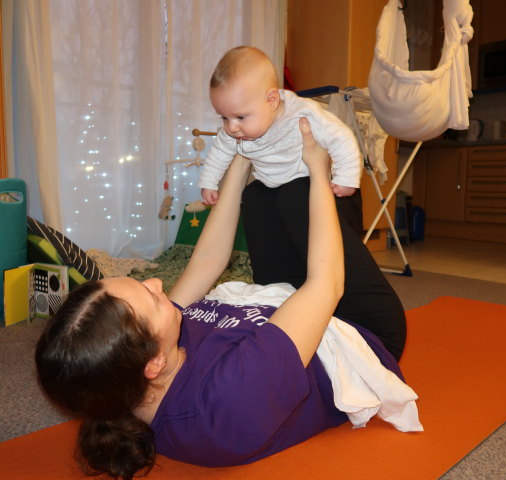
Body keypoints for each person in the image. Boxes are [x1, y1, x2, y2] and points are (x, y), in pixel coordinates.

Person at [35, 119, 412, 480]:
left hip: (282, 308)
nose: (154, 282)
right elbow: (326, 285)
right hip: (354, 330)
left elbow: (207, 264)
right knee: (296, 191)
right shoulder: (229, 399)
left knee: (259, 195)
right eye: (150, 298)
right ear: (155, 362)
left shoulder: (140, 364)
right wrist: (318, 169)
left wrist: (241, 154)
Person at [198, 45, 361, 205]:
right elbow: (218, 154)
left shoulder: (302, 113)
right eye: (224, 118)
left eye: (240, 117)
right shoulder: (234, 131)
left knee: (292, 195)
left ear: (271, 100)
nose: (231, 128)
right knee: (251, 197)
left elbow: (341, 137)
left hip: (303, 178)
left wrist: (346, 177)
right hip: (268, 181)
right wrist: (209, 183)